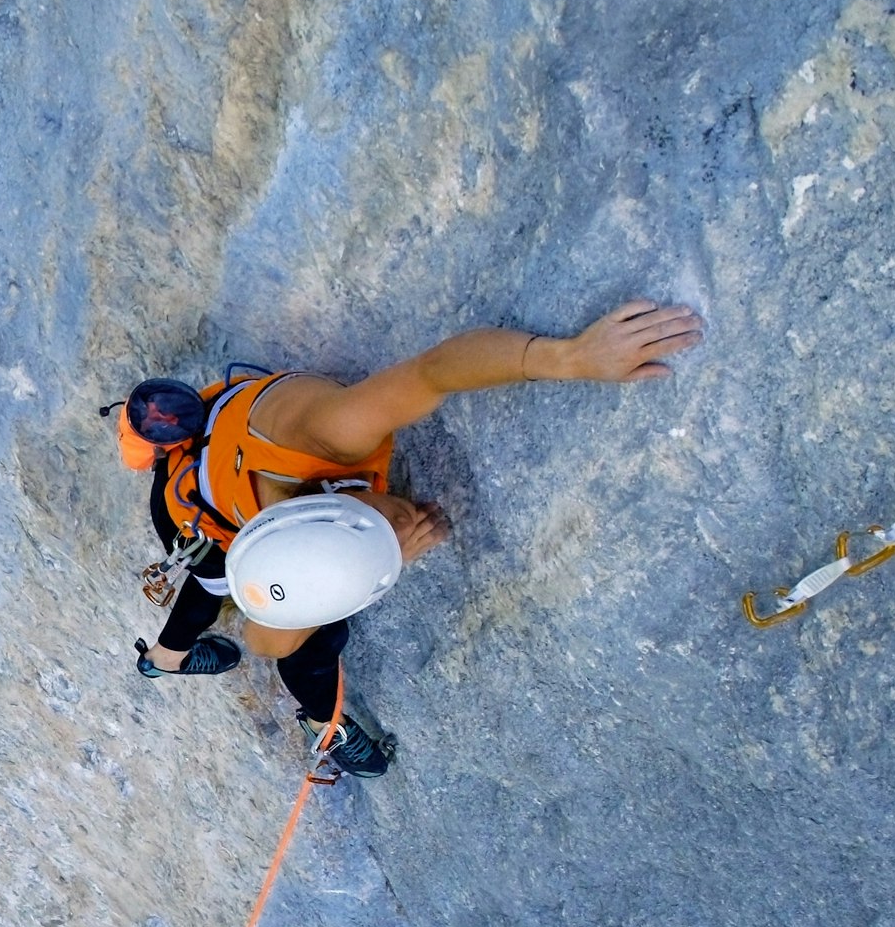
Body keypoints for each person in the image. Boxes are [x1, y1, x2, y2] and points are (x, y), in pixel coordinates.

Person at [114, 300, 702, 775]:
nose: (405, 519)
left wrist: (569, 357)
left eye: (383, 519)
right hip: (197, 511)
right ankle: (319, 722)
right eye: (400, 532)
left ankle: (165, 661)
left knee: (212, 584)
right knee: (304, 637)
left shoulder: (325, 435)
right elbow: (269, 641)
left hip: (211, 482)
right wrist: (371, 569)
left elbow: (435, 370)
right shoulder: (272, 562)